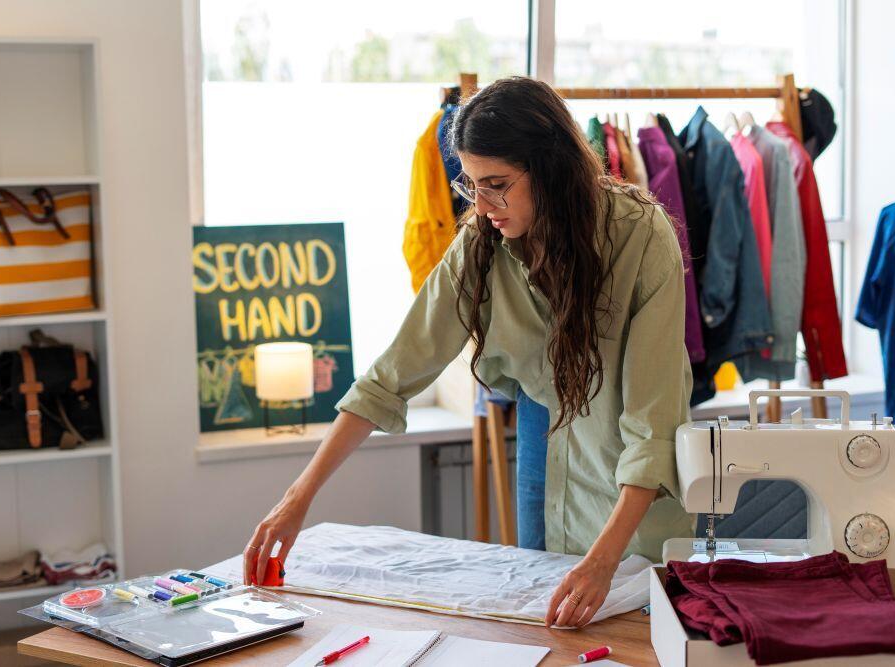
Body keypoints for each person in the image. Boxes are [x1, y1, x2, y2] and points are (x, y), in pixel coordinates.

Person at [244, 77, 693, 628]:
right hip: (546, 440)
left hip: (634, 485)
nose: (481, 205)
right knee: (549, 633)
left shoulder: (639, 235)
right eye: (471, 185)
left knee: (639, 636)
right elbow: (390, 375)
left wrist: (602, 561)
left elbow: (652, 428)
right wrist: (296, 499)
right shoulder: (481, 244)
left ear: (550, 167)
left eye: (497, 185)